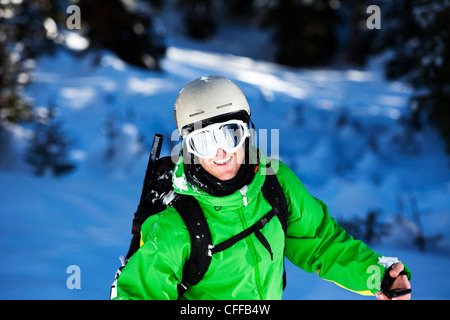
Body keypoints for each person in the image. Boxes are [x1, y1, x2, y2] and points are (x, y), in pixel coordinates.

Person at [114, 75, 411, 300]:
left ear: (247, 133)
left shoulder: (274, 184)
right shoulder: (174, 226)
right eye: (204, 141)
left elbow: (321, 243)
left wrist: (378, 276)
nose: (221, 152)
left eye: (230, 133)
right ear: (190, 149)